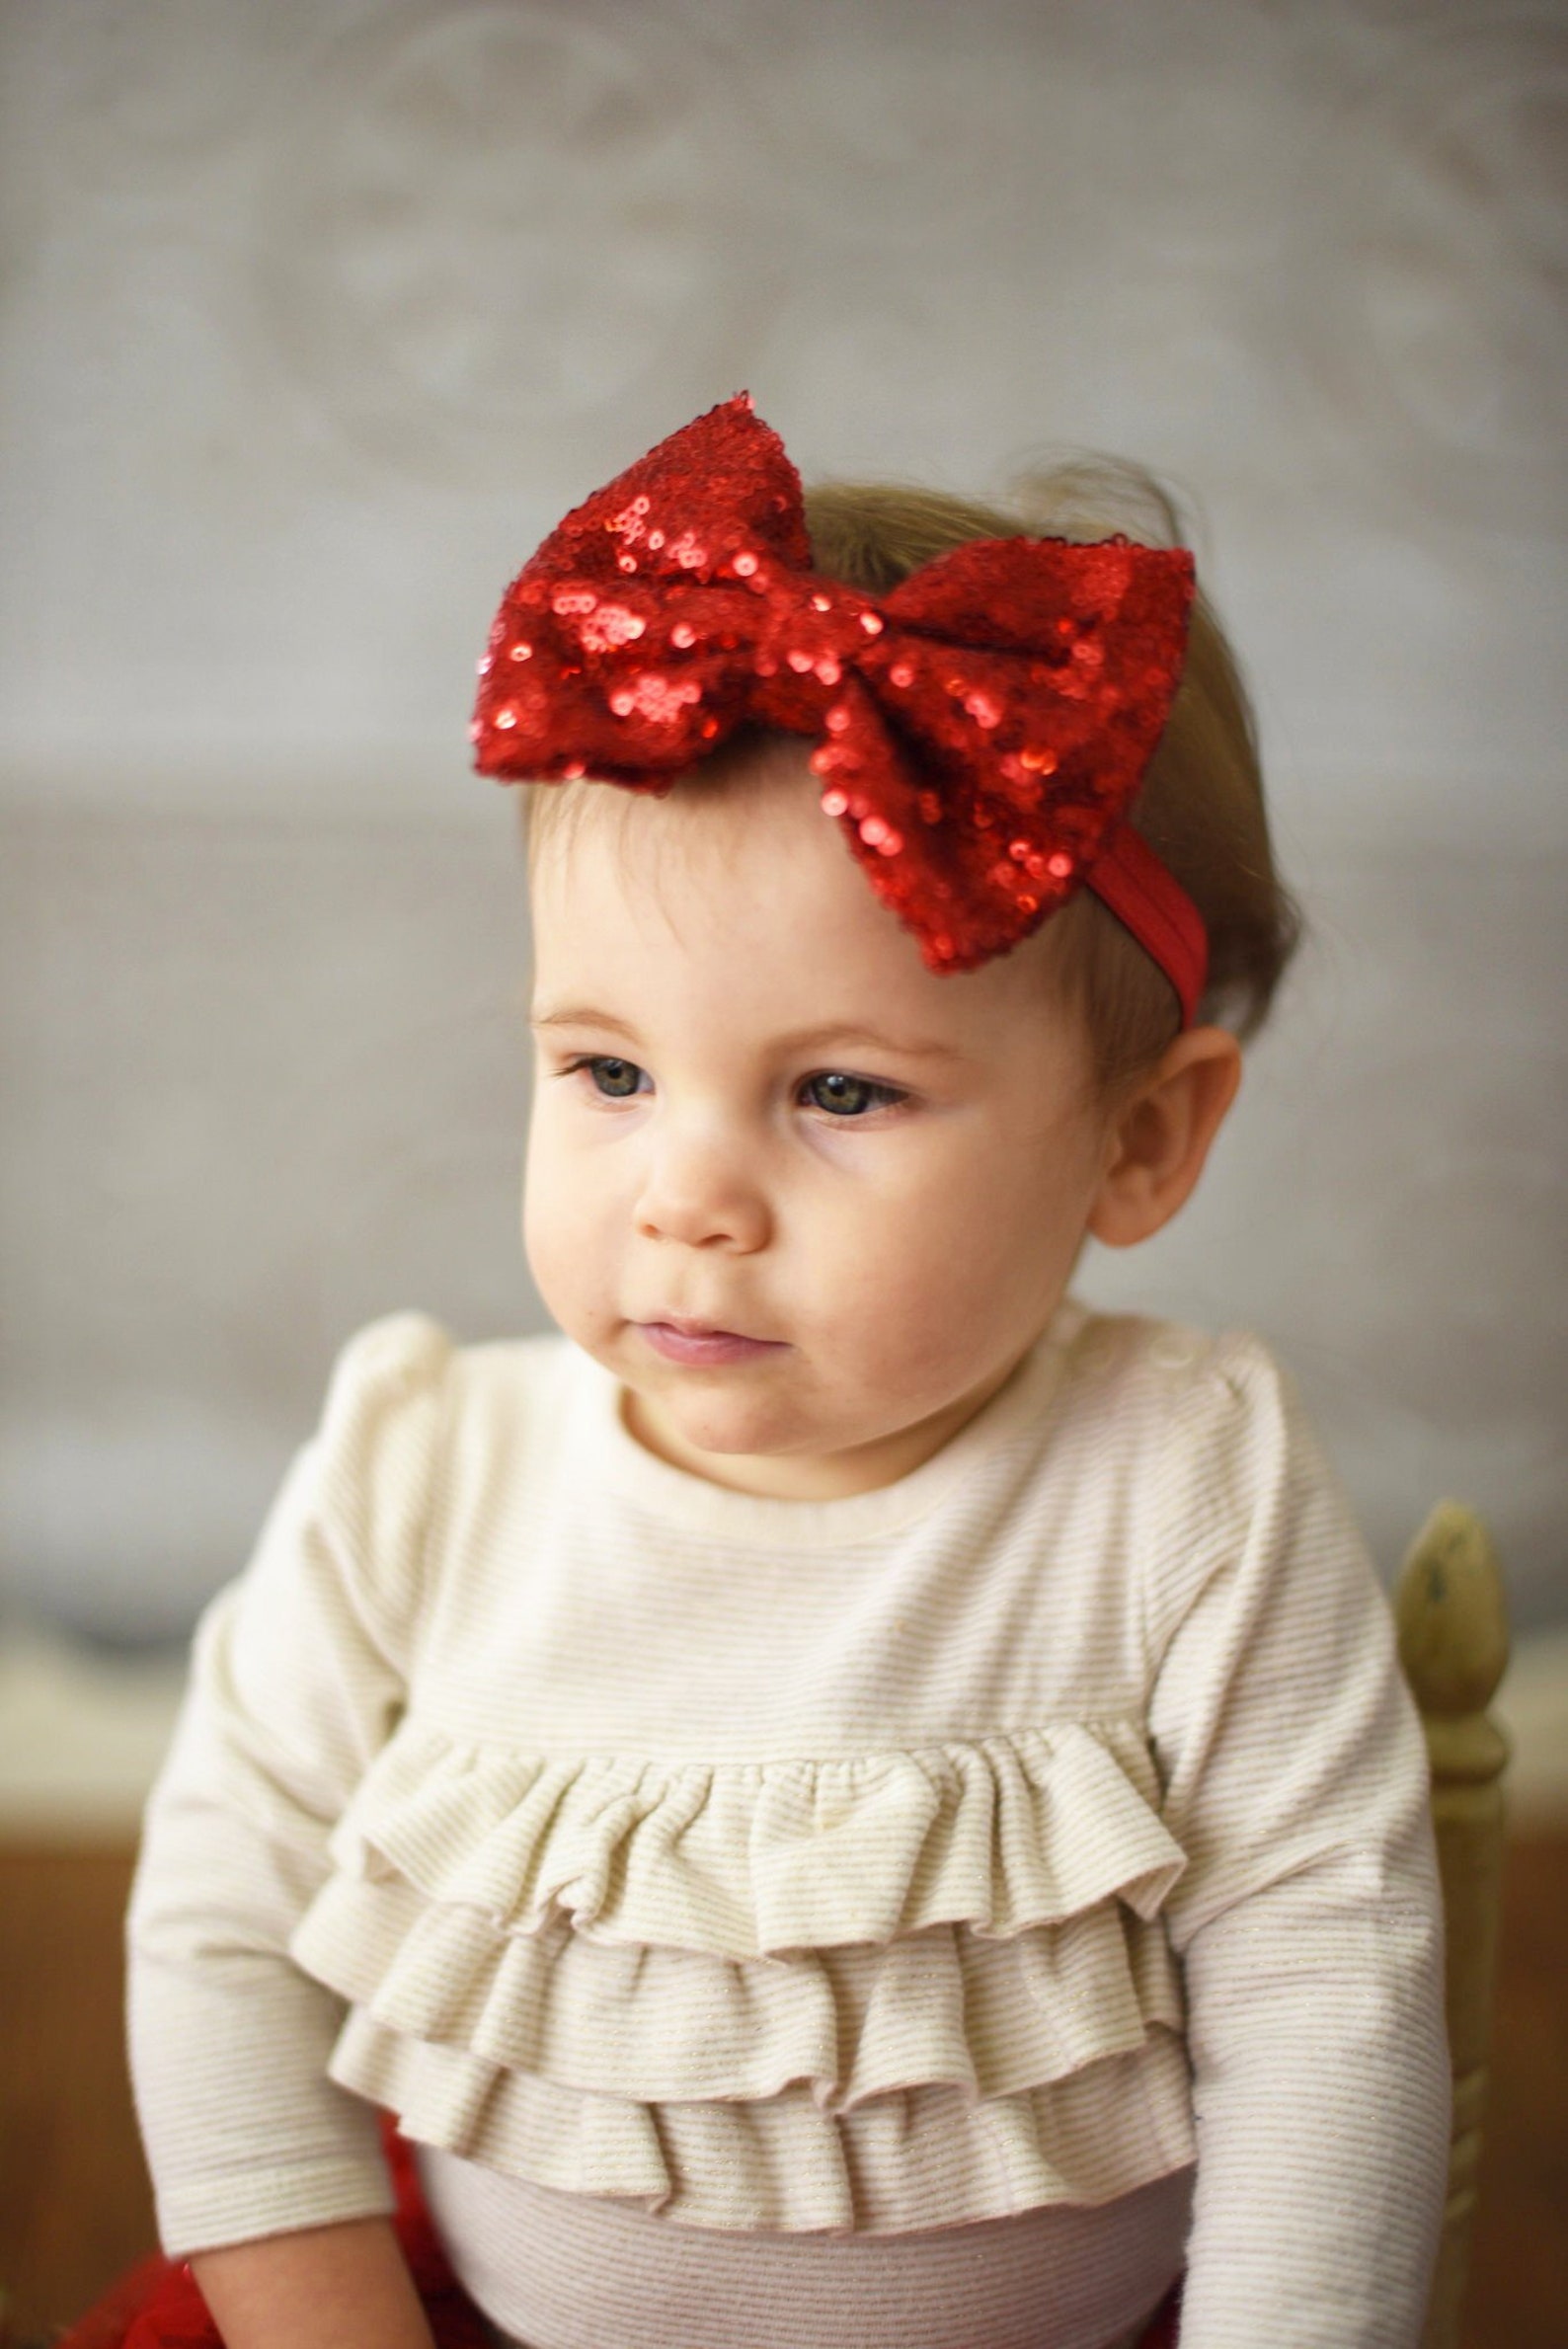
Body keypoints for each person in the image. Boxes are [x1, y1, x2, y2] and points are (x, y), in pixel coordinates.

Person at [114, 396, 1450, 2349]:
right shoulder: (427, 1467)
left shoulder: (1177, 1479)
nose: (687, 1197)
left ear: (1139, 1140)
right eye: (609, 1069)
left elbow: (1329, 1998)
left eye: (838, 1092)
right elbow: (221, 1934)